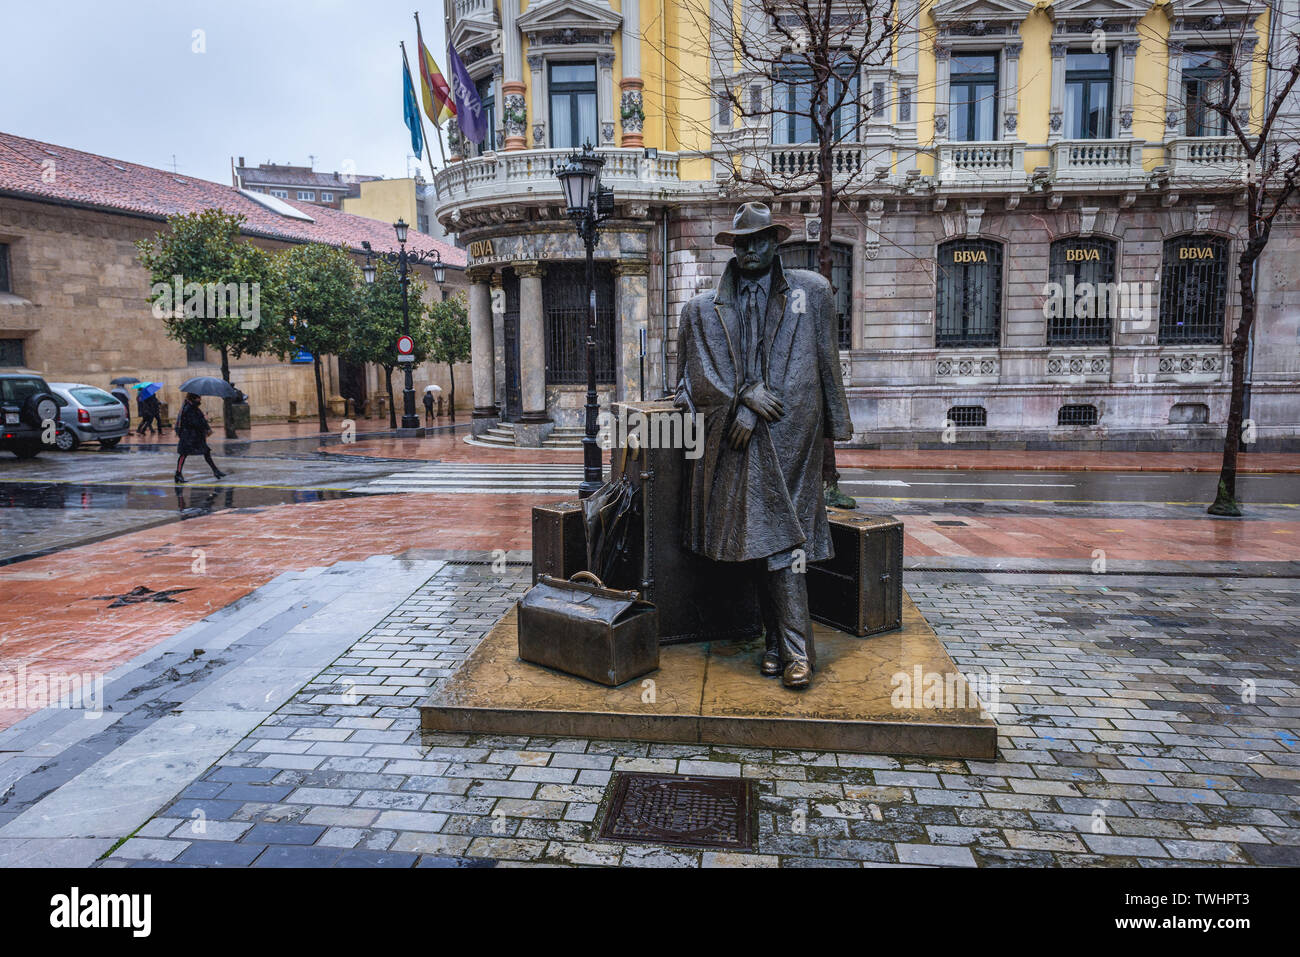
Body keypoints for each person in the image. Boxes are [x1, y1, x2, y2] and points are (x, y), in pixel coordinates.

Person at [674, 203, 853, 689]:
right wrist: (740, 397)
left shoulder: (810, 292)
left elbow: (822, 361)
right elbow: (687, 385)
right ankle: (776, 645)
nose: (750, 249)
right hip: (734, 440)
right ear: (732, 246)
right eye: (742, 241)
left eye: (759, 240)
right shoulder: (701, 310)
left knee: (781, 538)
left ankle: (797, 652)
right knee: (763, 539)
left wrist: (836, 422)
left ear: (776, 241)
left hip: (790, 432)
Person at [174, 393, 225, 482]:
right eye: (199, 398)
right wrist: (204, 419)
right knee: (183, 454)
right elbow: (193, 422)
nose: (200, 399)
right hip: (188, 436)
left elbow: (198, 420)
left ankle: (215, 471)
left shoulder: (193, 407)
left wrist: (204, 420)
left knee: (206, 452)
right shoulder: (188, 408)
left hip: (195, 436)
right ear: (194, 398)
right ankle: (178, 474)